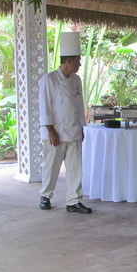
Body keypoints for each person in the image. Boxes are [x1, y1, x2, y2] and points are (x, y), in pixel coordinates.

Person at [38, 31, 92, 214]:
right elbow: (45, 106)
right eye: (78, 61)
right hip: (56, 132)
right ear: (68, 61)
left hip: (74, 130)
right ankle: (45, 196)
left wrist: (81, 127)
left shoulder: (76, 80)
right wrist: (50, 130)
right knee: (51, 166)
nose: (79, 64)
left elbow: (78, 104)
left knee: (75, 168)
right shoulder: (49, 80)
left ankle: (74, 201)